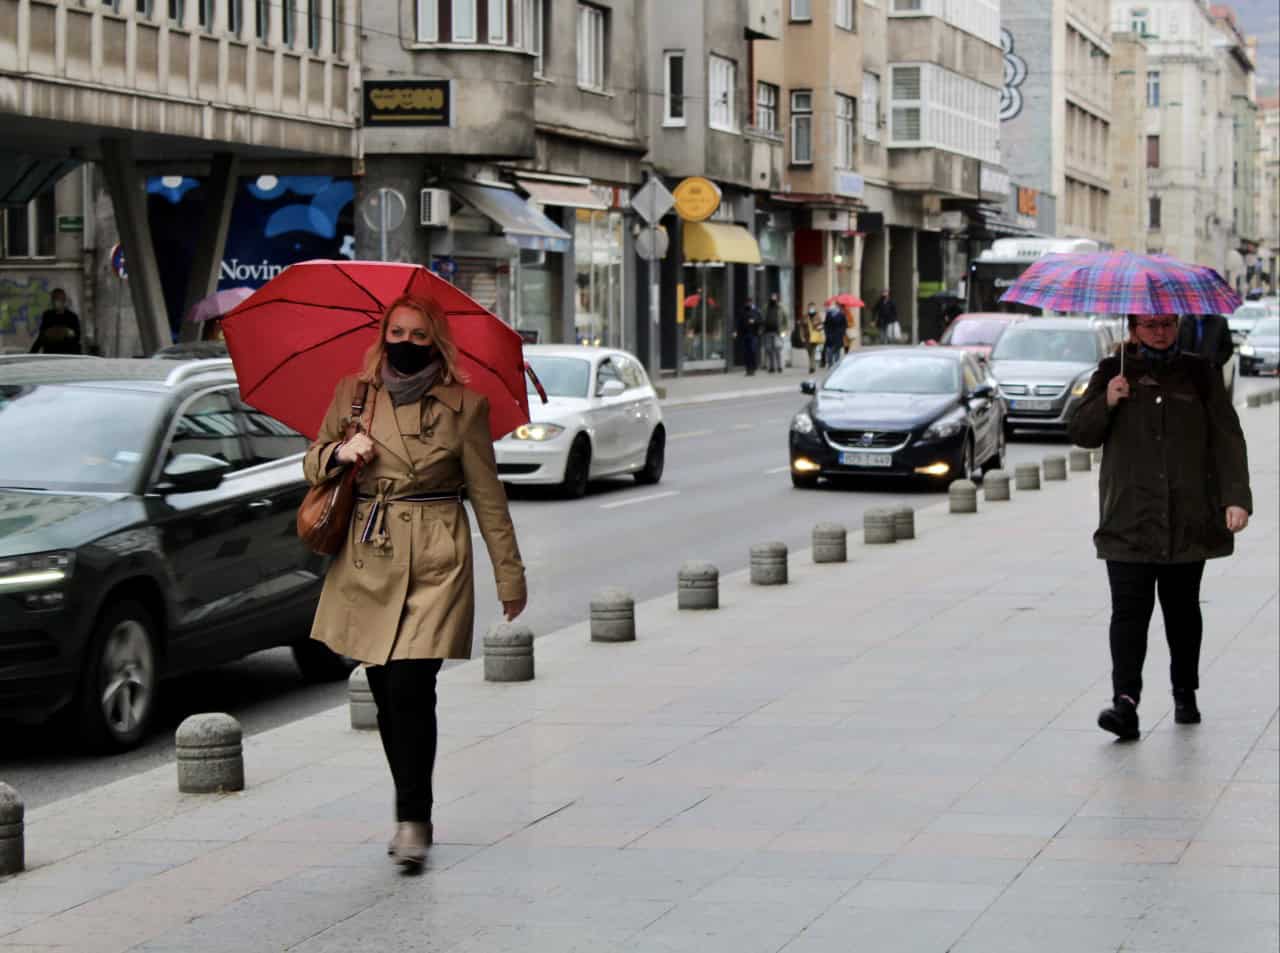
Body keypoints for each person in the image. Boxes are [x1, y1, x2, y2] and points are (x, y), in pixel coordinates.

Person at [302, 294, 527, 869]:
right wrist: (340, 451)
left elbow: (488, 498)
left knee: (410, 687)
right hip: (370, 551)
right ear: (383, 336)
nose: (406, 344)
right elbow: (311, 461)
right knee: (383, 690)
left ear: (438, 344)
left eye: (420, 336)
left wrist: (510, 576)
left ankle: (413, 817)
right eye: (397, 333)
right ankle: (410, 806)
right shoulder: (353, 396)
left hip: (435, 557)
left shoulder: (465, 408)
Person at [1068, 314, 1251, 741]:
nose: (1160, 332)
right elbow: (1081, 432)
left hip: (1187, 515)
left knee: (1182, 613)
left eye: (1167, 324)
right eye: (1150, 325)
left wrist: (1236, 497)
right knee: (1128, 615)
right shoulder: (1111, 372)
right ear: (1133, 329)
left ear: (1177, 325)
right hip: (1128, 517)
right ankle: (1125, 703)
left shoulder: (1199, 372)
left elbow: (1227, 437)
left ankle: (1185, 691)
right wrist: (1107, 400)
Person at [29, 289, 82, 354]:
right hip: (51, 353)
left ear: (64, 300)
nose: (56, 302)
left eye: (59, 299)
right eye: (54, 299)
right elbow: (42, 337)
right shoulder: (48, 315)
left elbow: (77, 337)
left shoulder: (72, 317)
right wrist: (31, 353)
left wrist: (65, 332)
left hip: (67, 353)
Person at [738, 297, 763, 376]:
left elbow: (761, 321)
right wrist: (738, 333)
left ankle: (753, 368)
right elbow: (740, 323)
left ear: (751, 303)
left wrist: (754, 321)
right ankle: (748, 369)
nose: (748, 304)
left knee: (752, 351)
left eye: (749, 302)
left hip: (753, 334)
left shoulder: (756, 311)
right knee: (746, 352)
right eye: (747, 302)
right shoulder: (743, 311)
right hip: (745, 334)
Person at [763, 293, 785, 374]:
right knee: (769, 349)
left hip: (777, 331)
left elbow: (785, 318)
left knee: (777, 349)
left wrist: (784, 329)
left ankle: (779, 366)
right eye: (772, 297)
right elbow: (763, 317)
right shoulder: (766, 307)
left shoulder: (780, 307)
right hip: (767, 331)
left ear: (777, 298)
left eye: (775, 297)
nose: (773, 298)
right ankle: (771, 367)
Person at [822, 303, 846, 369]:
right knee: (829, 351)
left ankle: (836, 366)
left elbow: (844, 325)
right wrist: (826, 333)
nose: (834, 309)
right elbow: (826, 324)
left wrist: (842, 333)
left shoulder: (841, 315)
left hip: (838, 336)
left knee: (837, 352)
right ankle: (830, 364)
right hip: (830, 336)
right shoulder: (829, 314)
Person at [803, 302, 821, 373]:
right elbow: (802, 326)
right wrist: (802, 336)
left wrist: (816, 325)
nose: (811, 309)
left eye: (812, 307)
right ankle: (812, 366)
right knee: (809, 352)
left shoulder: (817, 316)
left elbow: (820, 325)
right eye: (810, 307)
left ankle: (812, 367)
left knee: (813, 351)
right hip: (807, 336)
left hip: (815, 336)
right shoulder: (805, 316)